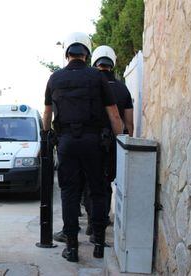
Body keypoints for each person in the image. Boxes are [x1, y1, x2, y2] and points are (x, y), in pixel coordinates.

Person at [42, 32, 123, 262]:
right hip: (93, 143)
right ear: (87, 53)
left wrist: (47, 135)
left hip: (66, 142)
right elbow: (114, 114)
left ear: (67, 52)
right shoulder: (97, 78)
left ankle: (72, 247)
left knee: (69, 193)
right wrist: (121, 143)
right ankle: (98, 243)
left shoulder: (54, 78)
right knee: (97, 191)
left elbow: (47, 113)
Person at [82, 45, 134, 238]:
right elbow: (128, 123)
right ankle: (102, 222)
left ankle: (91, 222)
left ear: (95, 63)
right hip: (113, 144)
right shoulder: (123, 89)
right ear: (112, 64)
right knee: (106, 184)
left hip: (91, 142)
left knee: (90, 184)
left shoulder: (89, 85)